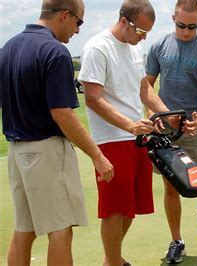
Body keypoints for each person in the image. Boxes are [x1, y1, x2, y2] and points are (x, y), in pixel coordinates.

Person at [0, 0, 114, 265]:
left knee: (24, 229)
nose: (77, 31)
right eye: (78, 22)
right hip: (47, 151)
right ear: (65, 15)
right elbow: (62, 113)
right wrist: (97, 155)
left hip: (16, 152)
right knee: (60, 229)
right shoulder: (55, 51)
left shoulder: (8, 48)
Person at [77, 0, 168, 265]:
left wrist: (165, 113)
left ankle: (111, 260)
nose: (144, 38)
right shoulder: (98, 47)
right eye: (141, 31)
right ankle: (114, 262)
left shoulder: (133, 48)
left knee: (131, 208)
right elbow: (92, 99)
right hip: (111, 139)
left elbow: (144, 90)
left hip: (137, 137)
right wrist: (129, 125)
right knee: (114, 209)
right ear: (125, 21)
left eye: (147, 33)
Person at [145, 0, 197, 263]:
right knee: (170, 189)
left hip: (194, 130)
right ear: (173, 18)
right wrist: (158, 116)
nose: (186, 31)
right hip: (164, 131)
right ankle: (177, 241)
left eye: (191, 26)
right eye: (181, 25)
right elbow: (146, 86)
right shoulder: (158, 46)